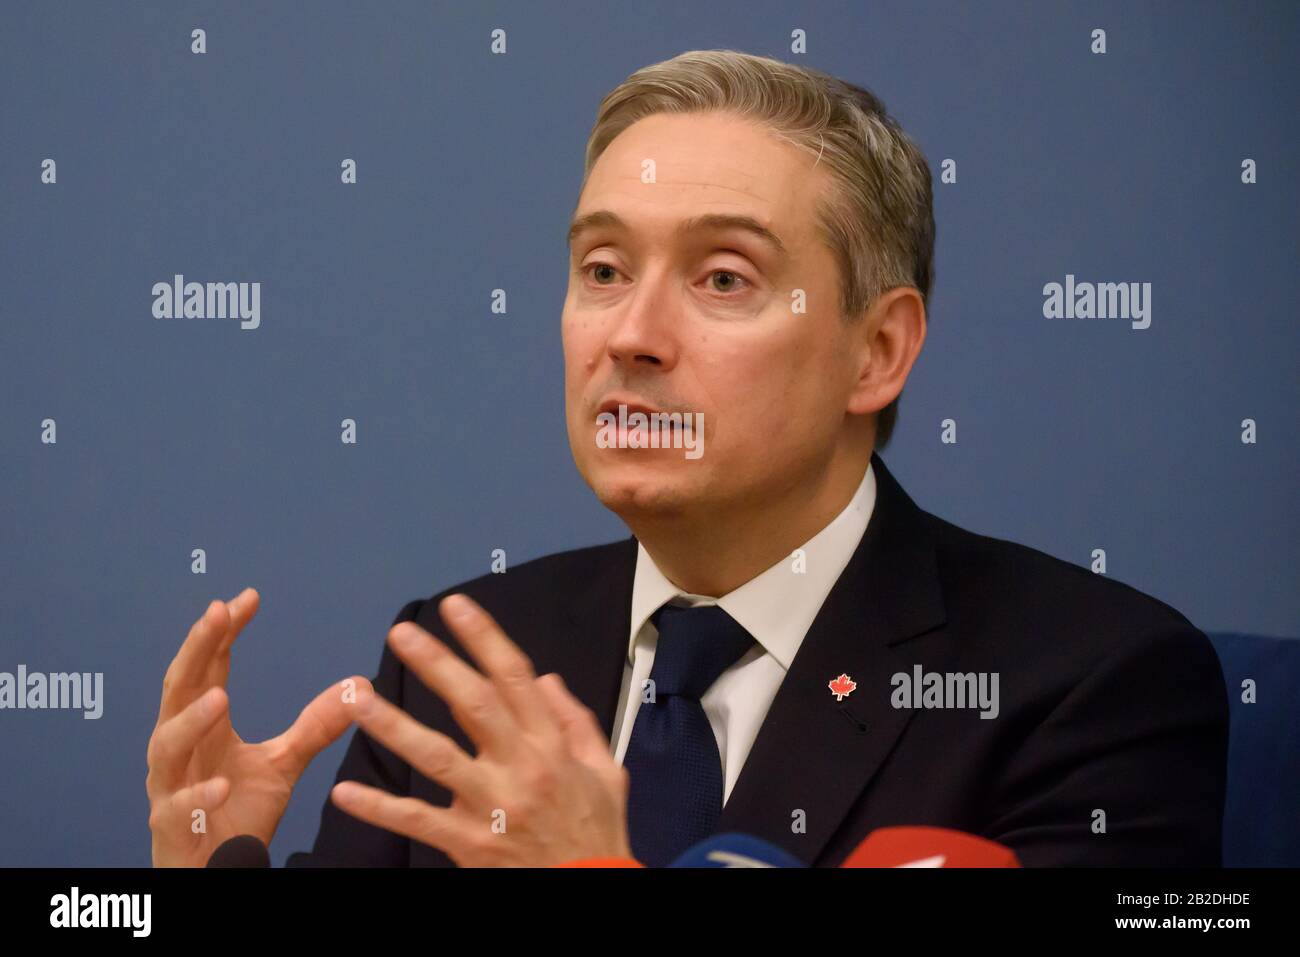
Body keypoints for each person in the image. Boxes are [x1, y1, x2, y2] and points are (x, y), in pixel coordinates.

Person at [146, 50, 1227, 868]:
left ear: (877, 350)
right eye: (604, 268)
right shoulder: (466, 661)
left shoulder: (1090, 681)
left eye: (722, 280)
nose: (631, 335)